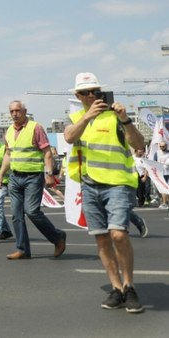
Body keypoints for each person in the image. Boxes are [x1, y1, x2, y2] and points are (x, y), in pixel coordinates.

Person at [65, 73, 144, 313]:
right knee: (101, 238)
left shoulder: (115, 115)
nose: (92, 96)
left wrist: (126, 120)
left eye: (95, 91)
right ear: (78, 96)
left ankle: (129, 286)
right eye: (86, 92)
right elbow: (69, 136)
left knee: (118, 235)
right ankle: (116, 287)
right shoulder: (77, 117)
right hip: (89, 185)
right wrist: (88, 117)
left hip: (118, 183)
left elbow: (138, 144)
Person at [0, 100, 66, 261]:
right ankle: (22, 249)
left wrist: (49, 173)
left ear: (25, 111)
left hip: (33, 177)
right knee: (16, 214)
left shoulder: (35, 127)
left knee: (32, 211)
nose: (15, 114)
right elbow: (8, 154)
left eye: (18, 110)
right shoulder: (8, 131)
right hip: (15, 177)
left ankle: (57, 237)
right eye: (12, 111)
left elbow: (47, 152)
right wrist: (1, 174)